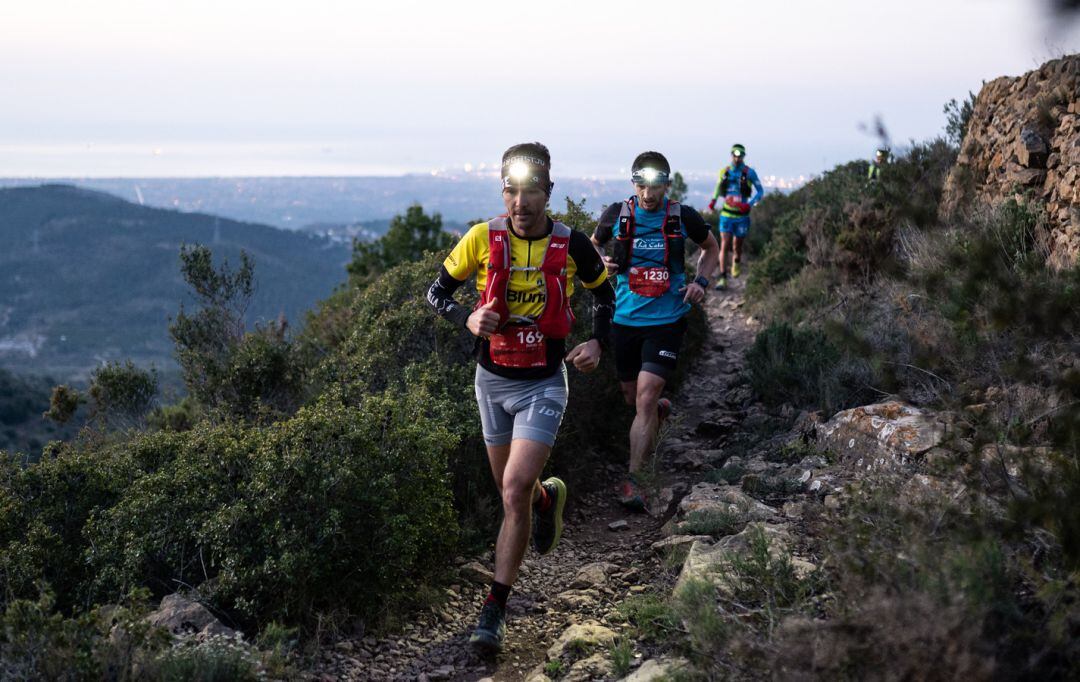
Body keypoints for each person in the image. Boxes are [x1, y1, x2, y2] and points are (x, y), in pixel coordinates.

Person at [426, 142, 615, 653]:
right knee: (515, 492)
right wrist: (465, 316)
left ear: (548, 192)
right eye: (511, 190)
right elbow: (435, 292)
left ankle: (494, 609)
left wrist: (598, 341)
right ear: (502, 192)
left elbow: (604, 293)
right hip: (491, 381)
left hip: (545, 381)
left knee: (511, 491)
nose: (521, 202)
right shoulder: (480, 239)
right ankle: (547, 497)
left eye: (531, 191)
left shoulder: (573, 245)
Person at [592, 151, 720, 511]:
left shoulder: (682, 216)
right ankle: (657, 415)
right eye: (642, 185)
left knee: (645, 398)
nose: (649, 193)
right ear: (634, 183)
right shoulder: (616, 214)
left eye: (656, 185)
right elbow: (592, 244)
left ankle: (634, 480)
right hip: (624, 320)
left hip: (667, 320)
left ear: (667, 184)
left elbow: (712, 248)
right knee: (632, 398)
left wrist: (701, 282)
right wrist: (599, 260)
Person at [706, 143, 763, 289]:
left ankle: (736, 262)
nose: (737, 158)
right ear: (731, 155)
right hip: (726, 215)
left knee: (737, 245)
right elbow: (718, 188)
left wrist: (749, 204)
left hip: (742, 216)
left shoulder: (749, 173)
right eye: (735, 155)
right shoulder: (724, 172)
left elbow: (760, 191)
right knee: (724, 244)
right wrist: (713, 201)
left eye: (740, 155)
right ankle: (722, 277)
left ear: (743, 156)